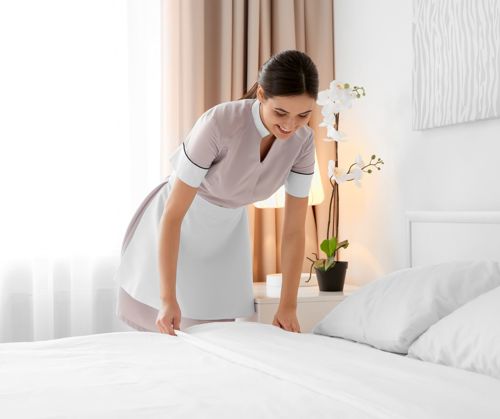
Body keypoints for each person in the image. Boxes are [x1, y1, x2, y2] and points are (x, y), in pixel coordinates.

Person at [114, 49, 319, 336]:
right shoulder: (220, 123)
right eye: (281, 112)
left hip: (226, 236)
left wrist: (288, 306)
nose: (290, 125)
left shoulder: (303, 142)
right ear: (261, 95)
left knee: (213, 343)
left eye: (303, 115)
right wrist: (167, 298)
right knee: (162, 337)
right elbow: (173, 216)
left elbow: (294, 232)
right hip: (178, 225)